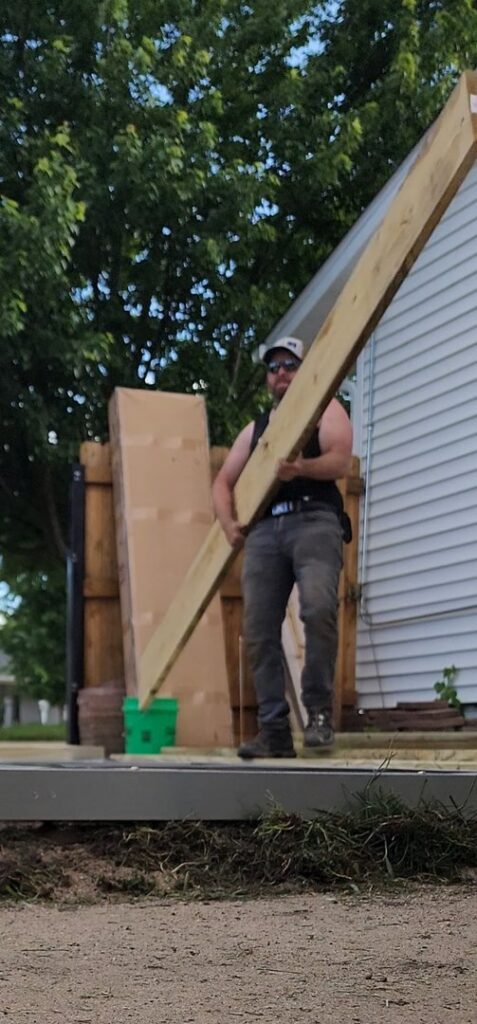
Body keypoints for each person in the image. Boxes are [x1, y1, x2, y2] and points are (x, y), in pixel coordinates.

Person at [212, 336, 353, 759]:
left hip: (315, 520)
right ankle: (272, 730)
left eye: (289, 365)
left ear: (303, 368)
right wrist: (228, 524)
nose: (280, 374)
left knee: (318, 609)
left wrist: (300, 469)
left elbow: (341, 460)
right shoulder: (256, 430)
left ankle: (319, 716)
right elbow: (222, 482)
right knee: (257, 631)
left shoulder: (325, 408)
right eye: (273, 368)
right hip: (264, 531)